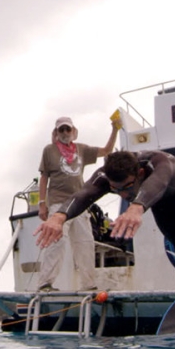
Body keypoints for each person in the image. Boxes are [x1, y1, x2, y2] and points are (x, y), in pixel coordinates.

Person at [34, 150, 175, 295]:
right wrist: (59, 217)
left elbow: (160, 181)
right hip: (163, 202)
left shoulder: (159, 163)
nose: (123, 195)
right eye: (115, 190)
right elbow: (84, 194)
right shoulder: (106, 176)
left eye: (127, 187)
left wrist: (137, 207)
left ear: (140, 174)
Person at [34, 115, 120, 291]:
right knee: (56, 241)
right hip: (58, 203)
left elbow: (106, 151)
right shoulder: (49, 150)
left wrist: (115, 129)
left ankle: (89, 285)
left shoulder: (82, 149)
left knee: (85, 243)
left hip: (79, 203)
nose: (65, 132)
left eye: (68, 129)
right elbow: (44, 177)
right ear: (56, 132)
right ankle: (45, 283)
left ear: (74, 131)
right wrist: (42, 203)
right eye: (61, 129)